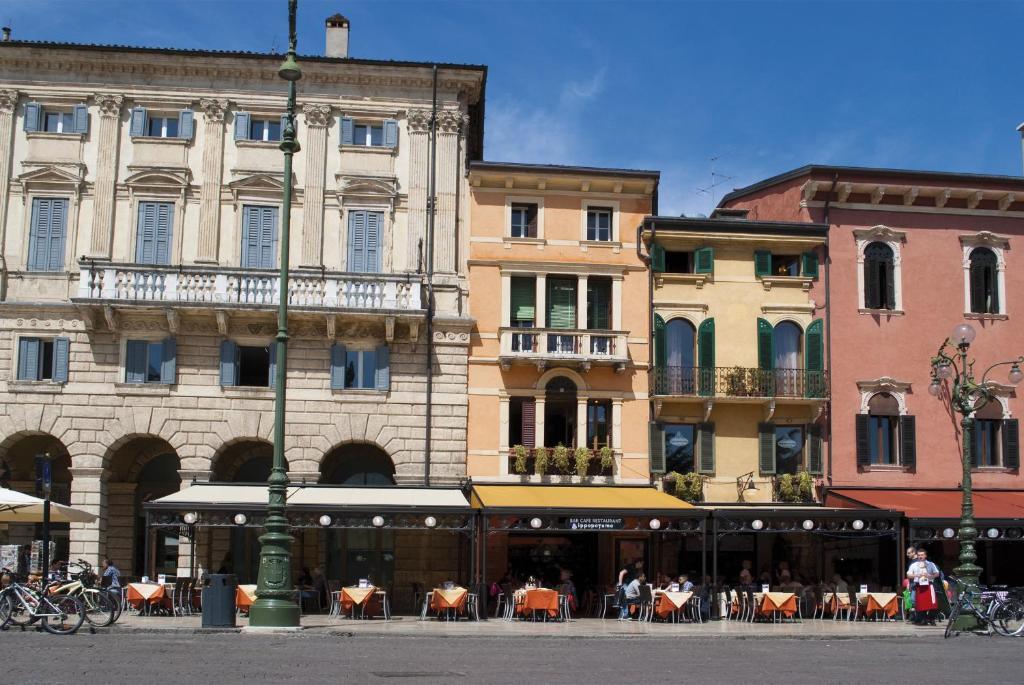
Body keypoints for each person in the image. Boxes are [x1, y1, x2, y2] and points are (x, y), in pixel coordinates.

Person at [907, 548, 940, 625]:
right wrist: (916, 575)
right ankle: (923, 619)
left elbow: (937, 573)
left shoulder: (931, 564)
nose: (920, 556)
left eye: (922, 555)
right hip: (919, 586)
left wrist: (929, 576)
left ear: (925, 555)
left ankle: (931, 619)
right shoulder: (913, 565)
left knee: (933, 603)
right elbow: (908, 575)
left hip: (929, 585)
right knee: (921, 604)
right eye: (919, 555)